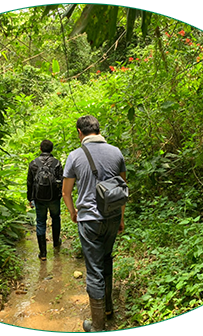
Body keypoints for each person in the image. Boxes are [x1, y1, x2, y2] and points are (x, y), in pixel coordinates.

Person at [62, 115, 127, 332]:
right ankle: (108, 309)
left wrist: (73, 212)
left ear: (80, 133)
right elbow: (122, 189)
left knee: (94, 269)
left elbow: (66, 191)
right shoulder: (116, 152)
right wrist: (121, 218)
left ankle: (97, 327)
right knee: (107, 258)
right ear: (98, 130)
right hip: (112, 216)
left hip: (89, 219)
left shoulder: (74, 156)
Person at [27, 139, 63, 261]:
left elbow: (30, 183)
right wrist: (60, 195)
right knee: (56, 218)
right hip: (54, 198)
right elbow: (61, 181)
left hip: (39, 198)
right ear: (51, 149)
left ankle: (43, 253)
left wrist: (30, 198)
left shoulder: (34, 163)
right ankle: (56, 242)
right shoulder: (57, 163)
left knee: (41, 222)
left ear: (40, 149)